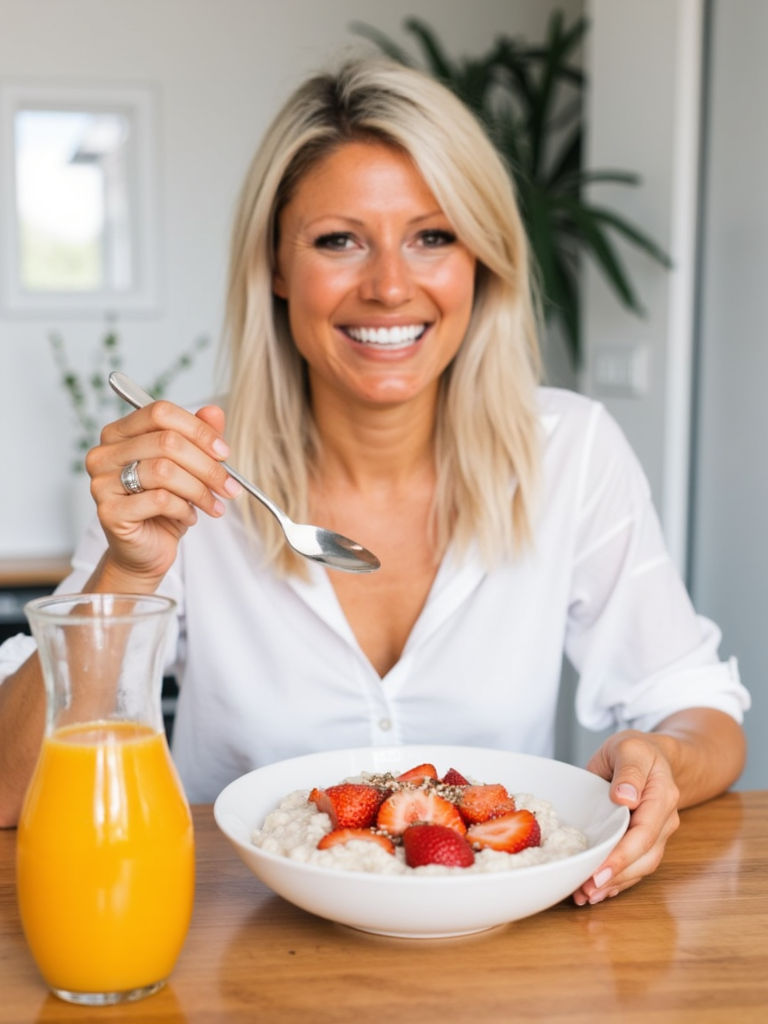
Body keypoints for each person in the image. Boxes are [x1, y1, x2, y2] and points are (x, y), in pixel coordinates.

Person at [0, 57, 749, 905]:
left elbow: (698, 710)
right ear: (277, 268)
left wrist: (662, 764)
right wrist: (128, 574)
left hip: (506, 956)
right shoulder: (184, 471)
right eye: (339, 240)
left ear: (483, 260)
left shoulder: (570, 450)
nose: (391, 285)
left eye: (433, 236)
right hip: (230, 939)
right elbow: (9, 788)